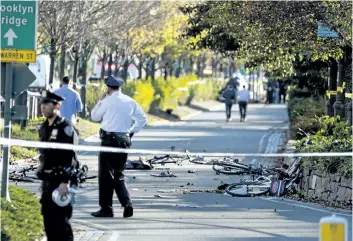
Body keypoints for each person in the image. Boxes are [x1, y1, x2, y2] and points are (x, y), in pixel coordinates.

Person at [90, 75, 147, 218]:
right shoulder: (129, 101)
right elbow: (142, 119)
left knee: (105, 176)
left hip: (109, 140)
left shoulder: (107, 101)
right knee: (119, 174)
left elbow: (95, 117)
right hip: (124, 140)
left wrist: (100, 101)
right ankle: (127, 204)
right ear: (120, 87)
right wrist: (131, 132)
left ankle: (106, 209)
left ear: (108, 88)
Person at [36, 90, 79, 241]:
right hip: (48, 180)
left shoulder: (65, 127)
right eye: (43, 104)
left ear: (57, 107)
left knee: (61, 222)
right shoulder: (43, 127)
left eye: (47, 104)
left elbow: (71, 157)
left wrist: (65, 181)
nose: (43, 107)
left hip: (61, 181)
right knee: (48, 221)